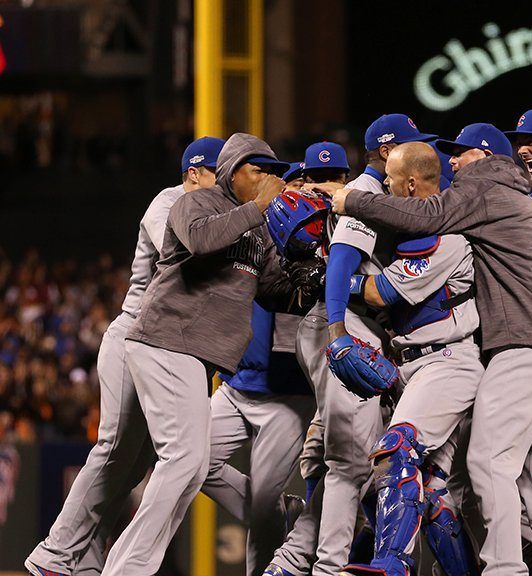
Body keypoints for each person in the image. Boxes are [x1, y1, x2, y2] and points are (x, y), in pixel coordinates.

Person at [332, 123, 532, 576]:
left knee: (487, 464)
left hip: (516, 346)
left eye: (462, 152)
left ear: (485, 157)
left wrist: (350, 202)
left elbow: (419, 224)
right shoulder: (512, 197)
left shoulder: (482, 194)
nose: (452, 160)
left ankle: (501, 570)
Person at [24, 137, 226, 576]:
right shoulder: (169, 202)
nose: (226, 179)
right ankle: (54, 554)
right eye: (219, 171)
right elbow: (187, 248)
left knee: (134, 462)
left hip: (165, 344)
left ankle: (83, 557)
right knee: (115, 448)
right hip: (133, 333)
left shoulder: (218, 209)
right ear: (194, 173)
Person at [102, 133, 298, 575]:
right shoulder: (197, 202)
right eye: (260, 170)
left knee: (190, 469)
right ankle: (127, 570)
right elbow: (200, 240)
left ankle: (126, 566)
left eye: (274, 173)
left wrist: (312, 277)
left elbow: (274, 288)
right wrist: (259, 207)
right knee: (184, 460)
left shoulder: (257, 229)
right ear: (231, 170)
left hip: (194, 354)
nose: (269, 179)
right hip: (166, 340)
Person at [266, 117, 437, 576]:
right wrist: (339, 330)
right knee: (349, 463)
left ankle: (289, 563)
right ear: (385, 152)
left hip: (350, 327)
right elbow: (341, 260)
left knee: (352, 461)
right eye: (408, 146)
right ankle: (327, 567)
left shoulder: (379, 192)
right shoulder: (365, 191)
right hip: (343, 325)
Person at [340, 141, 481, 576]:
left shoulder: (446, 237)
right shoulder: (413, 230)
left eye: (391, 180)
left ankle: (392, 564)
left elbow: (381, 292)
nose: (385, 186)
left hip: (447, 362)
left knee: (395, 452)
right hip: (421, 364)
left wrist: (337, 278)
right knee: (430, 489)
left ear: (413, 184)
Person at [199, 300, 316, 576]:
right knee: (189, 460)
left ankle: (274, 518)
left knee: (264, 506)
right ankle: (282, 513)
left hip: (290, 392)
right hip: (236, 382)